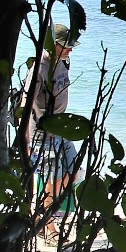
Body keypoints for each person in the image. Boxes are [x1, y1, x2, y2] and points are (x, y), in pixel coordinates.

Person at [27, 23, 79, 221]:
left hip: (61, 128)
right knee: (51, 179)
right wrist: (26, 140)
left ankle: (41, 215)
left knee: (74, 172)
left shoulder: (64, 61)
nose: (70, 49)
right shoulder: (40, 68)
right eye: (65, 45)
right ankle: (47, 226)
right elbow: (26, 102)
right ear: (52, 44)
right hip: (42, 133)